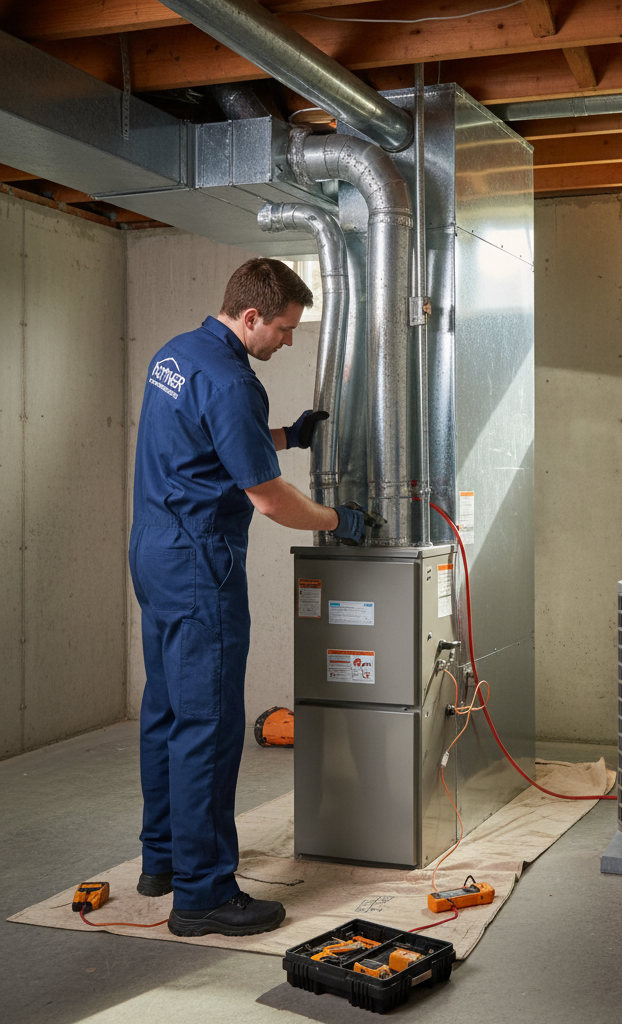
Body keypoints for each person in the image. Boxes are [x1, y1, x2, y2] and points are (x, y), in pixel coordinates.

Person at [129, 258, 376, 937]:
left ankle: (165, 862)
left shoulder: (176, 355)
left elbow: (208, 440)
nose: (288, 342)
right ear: (249, 319)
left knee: (167, 712)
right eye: (285, 330)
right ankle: (204, 896)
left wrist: (286, 438)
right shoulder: (235, 380)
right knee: (208, 727)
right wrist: (338, 520)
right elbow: (269, 501)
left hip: (153, 549)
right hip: (199, 560)